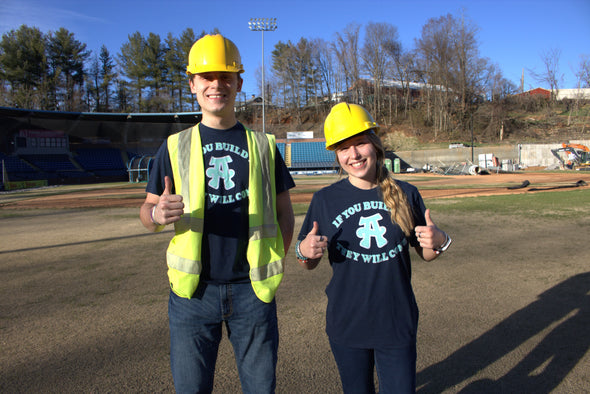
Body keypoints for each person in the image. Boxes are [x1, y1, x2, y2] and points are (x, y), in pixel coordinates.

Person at [140, 34, 295, 394]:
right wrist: (157, 214)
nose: (216, 85)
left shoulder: (263, 145)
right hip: (193, 295)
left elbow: (285, 211)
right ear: (192, 83)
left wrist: (274, 257)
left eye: (225, 77)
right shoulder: (174, 146)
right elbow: (146, 212)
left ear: (239, 83)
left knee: (261, 389)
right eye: (207, 77)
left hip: (252, 292)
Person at [296, 103, 451, 393]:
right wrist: (304, 252)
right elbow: (308, 261)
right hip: (347, 322)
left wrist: (440, 241)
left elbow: (427, 253)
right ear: (336, 154)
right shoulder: (325, 199)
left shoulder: (407, 193)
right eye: (343, 148)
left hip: (396, 319)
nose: (353, 155)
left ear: (375, 144)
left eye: (360, 143)